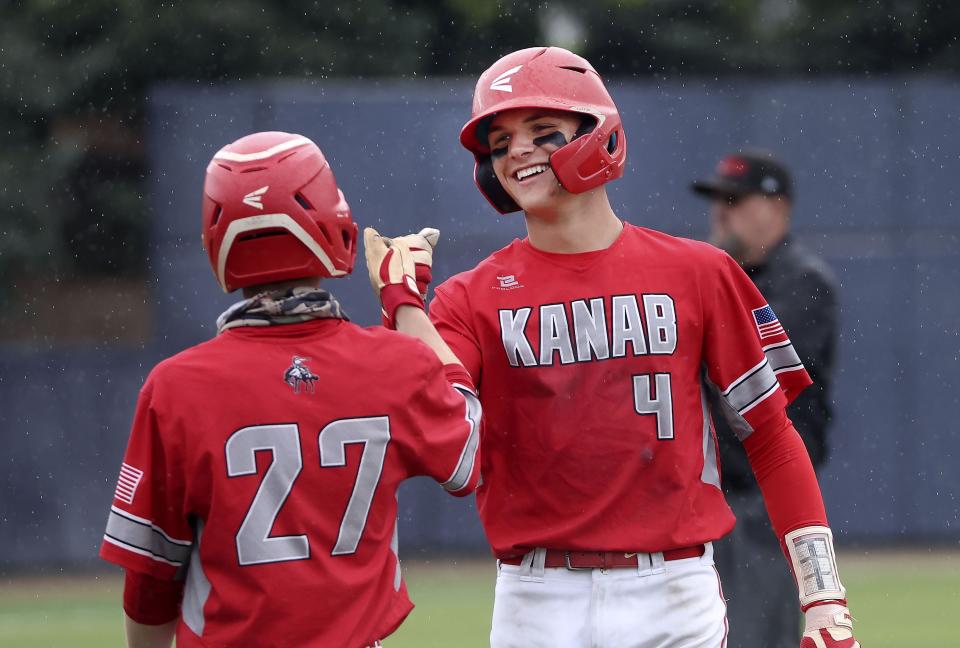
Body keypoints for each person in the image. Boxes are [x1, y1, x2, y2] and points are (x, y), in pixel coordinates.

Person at [375, 47, 860, 648]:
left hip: (674, 593)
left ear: (599, 136)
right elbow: (449, 448)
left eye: (541, 132)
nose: (516, 151)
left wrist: (824, 596)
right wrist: (404, 309)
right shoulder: (466, 299)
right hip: (536, 599)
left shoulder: (700, 272)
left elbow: (774, 438)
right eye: (499, 143)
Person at [99, 131, 481, 648]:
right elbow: (469, 459)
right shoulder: (395, 363)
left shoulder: (175, 387)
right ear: (333, 222)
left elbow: (150, 577)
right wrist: (403, 299)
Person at [692, 150, 839, 648]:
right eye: (717, 201)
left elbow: (747, 371)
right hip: (707, 502)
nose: (721, 213)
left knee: (755, 638)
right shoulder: (719, 280)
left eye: (734, 199)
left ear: (776, 208)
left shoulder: (804, 282)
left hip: (764, 505)